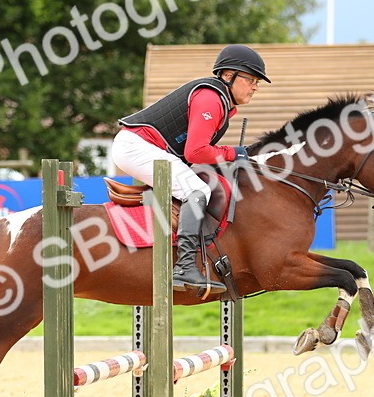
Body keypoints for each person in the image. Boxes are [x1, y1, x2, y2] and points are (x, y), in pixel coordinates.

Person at [111, 44, 270, 293]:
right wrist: (234, 153)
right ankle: (185, 266)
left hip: (144, 147)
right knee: (197, 190)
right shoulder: (210, 98)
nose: (255, 87)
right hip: (136, 147)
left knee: (196, 185)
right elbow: (195, 152)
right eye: (250, 79)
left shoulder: (220, 100)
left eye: (257, 82)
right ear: (228, 76)